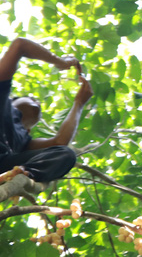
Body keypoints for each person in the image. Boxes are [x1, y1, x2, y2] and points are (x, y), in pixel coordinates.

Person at [0, 37, 93, 187]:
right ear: (12, 100)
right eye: (31, 98)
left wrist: (79, 103)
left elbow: (60, 142)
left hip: (4, 167)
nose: (37, 102)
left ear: (29, 130)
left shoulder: (24, 141)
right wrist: (60, 62)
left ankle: (22, 173)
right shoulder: (2, 96)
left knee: (66, 154)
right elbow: (20, 45)